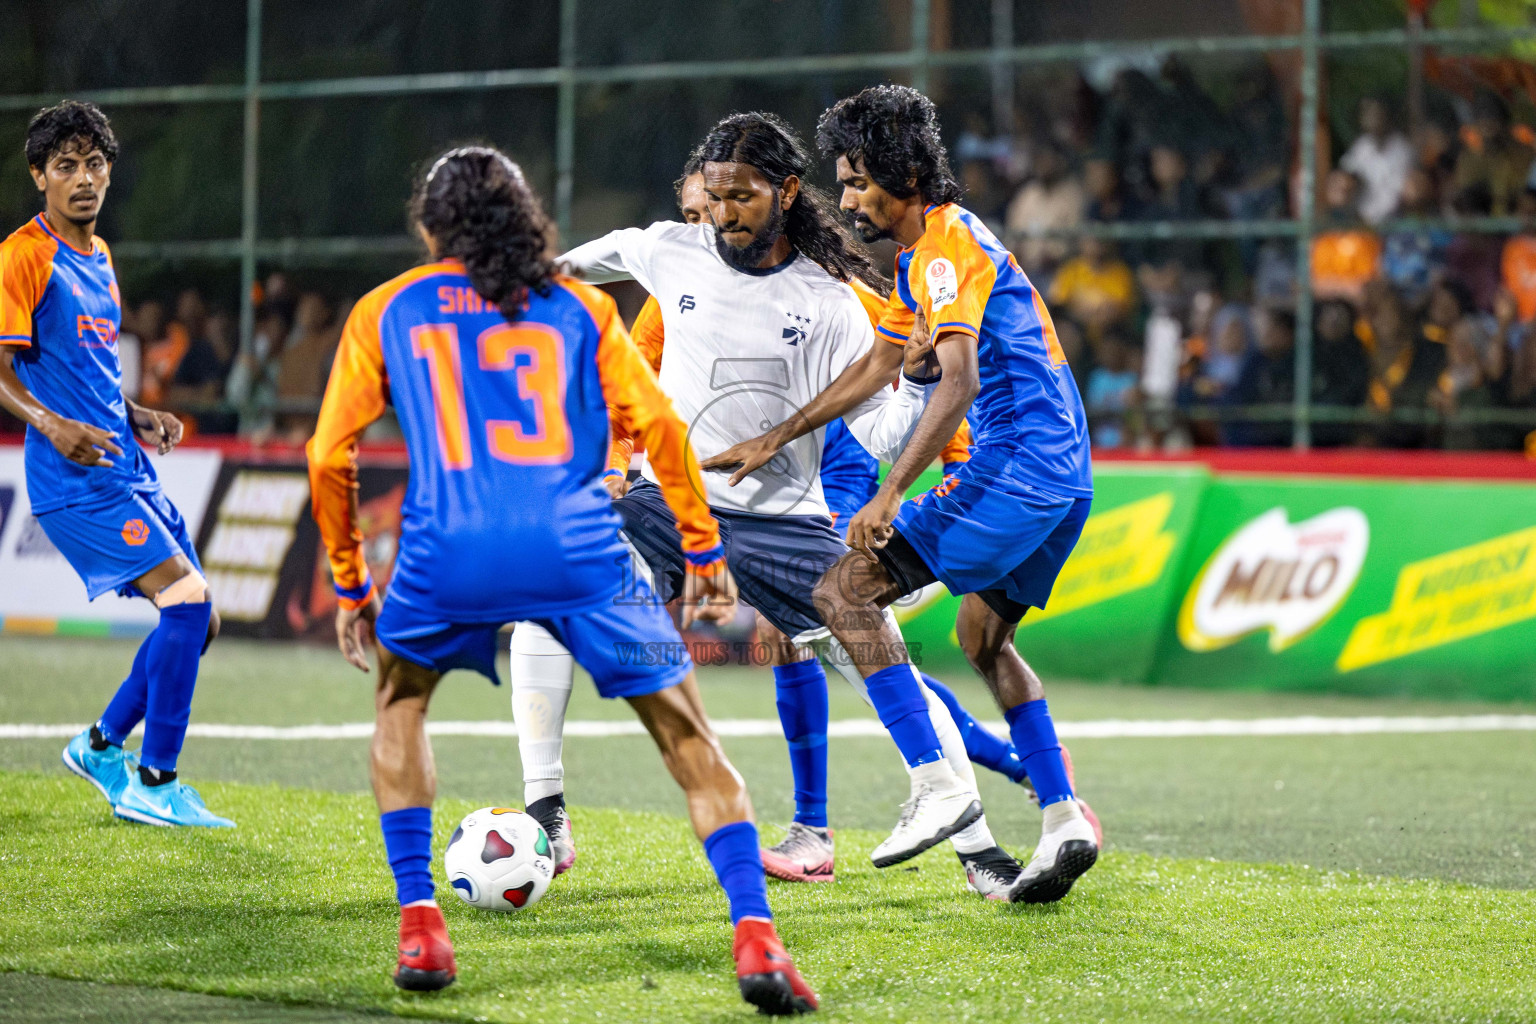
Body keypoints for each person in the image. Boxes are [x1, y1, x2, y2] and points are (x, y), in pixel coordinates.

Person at [307, 146, 816, 1013]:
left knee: (402, 709)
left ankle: (422, 926)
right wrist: (702, 555)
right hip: (580, 550)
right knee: (688, 738)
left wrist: (352, 586)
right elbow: (659, 428)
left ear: (432, 229)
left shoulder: (386, 310)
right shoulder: (580, 307)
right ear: (524, 218)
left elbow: (329, 455)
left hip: (445, 549)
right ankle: (757, 936)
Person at [518, 158, 1099, 900]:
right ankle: (549, 807)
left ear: (779, 199)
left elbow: (899, 414)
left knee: (867, 650)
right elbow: (626, 375)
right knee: (559, 589)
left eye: (730, 204)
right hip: (678, 504)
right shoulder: (671, 271)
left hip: (811, 511)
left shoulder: (844, 297)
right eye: (701, 209)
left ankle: (979, 837)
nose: (714, 223)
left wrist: (909, 459)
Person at [705, 85, 1099, 904]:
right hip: (1067, 476)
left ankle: (940, 785)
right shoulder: (928, 259)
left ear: (907, 173)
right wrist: (776, 438)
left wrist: (889, 495)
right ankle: (1063, 817)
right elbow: (877, 368)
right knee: (982, 638)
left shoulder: (946, 248)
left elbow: (956, 384)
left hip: (1017, 468)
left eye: (856, 182)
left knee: (842, 589)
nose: (845, 201)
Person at [0, 101, 229, 827]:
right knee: (186, 604)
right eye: (64, 165)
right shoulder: (22, 256)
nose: (82, 178)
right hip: (73, 482)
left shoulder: (99, 258)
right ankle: (154, 782)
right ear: (39, 175)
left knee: (202, 619)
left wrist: (136, 412)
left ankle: (101, 744)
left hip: (125, 464)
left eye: (94, 163)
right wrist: (48, 422)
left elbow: (90, 371)